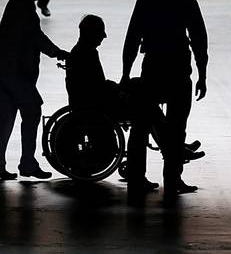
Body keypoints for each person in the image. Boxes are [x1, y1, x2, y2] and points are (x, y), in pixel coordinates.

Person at [65, 15, 203, 192]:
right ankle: (173, 147)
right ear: (91, 33)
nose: (103, 37)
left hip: (93, 102)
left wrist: (119, 87)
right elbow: (95, 88)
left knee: (143, 94)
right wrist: (119, 91)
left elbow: (94, 86)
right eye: (100, 33)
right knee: (148, 108)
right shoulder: (85, 54)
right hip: (96, 106)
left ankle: (172, 147)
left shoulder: (81, 52)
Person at [122, 0, 208, 197]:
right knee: (176, 128)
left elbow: (132, 39)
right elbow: (200, 43)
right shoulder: (187, 2)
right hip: (179, 71)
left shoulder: (146, 0)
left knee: (140, 126)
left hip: (152, 69)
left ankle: (137, 179)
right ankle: (173, 179)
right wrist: (202, 75)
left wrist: (126, 74)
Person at [0, 0, 68, 181]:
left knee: (4, 117)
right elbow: (34, 37)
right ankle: (27, 163)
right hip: (14, 73)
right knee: (31, 112)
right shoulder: (23, 7)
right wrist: (57, 52)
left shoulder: (18, 4)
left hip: (5, 70)